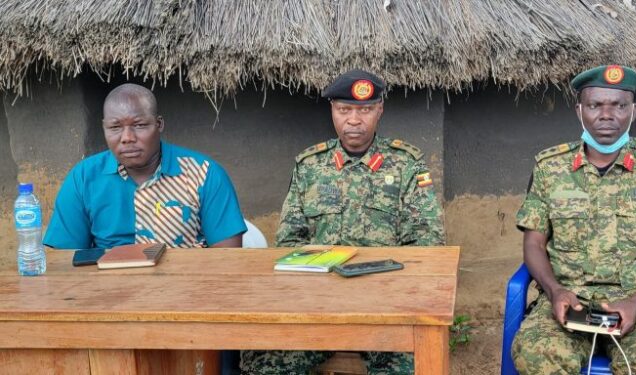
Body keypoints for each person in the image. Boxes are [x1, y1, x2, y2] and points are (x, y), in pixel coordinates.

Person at [241, 69, 445, 375]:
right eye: (344, 110)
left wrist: (384, 284)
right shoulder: (310, 166)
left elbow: (428, 243)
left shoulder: (407, 165)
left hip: (385, 306)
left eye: (364, 110)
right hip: (316, 306)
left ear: (380, 111)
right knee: (265, 364)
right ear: (332, 111)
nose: (354, 120)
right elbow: (289, 240)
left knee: (411, 366)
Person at [512, 65, 636, 375]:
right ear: (580, 111)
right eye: (595, 105)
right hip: (567, 301)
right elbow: (533, 242)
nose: (606, 115)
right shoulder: (550, 168)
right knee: (537, 357)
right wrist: (554, 290)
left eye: (619, 105)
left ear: (634, 111)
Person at [44, 83, 246, 249]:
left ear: (159, 125)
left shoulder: (204, 174)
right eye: (115, 128)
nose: (127, 138)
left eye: (139, 125)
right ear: (104, 128)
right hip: (109, 292)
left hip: (187, 291)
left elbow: (227, 261)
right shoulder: (84, 178)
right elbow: (63, 260)